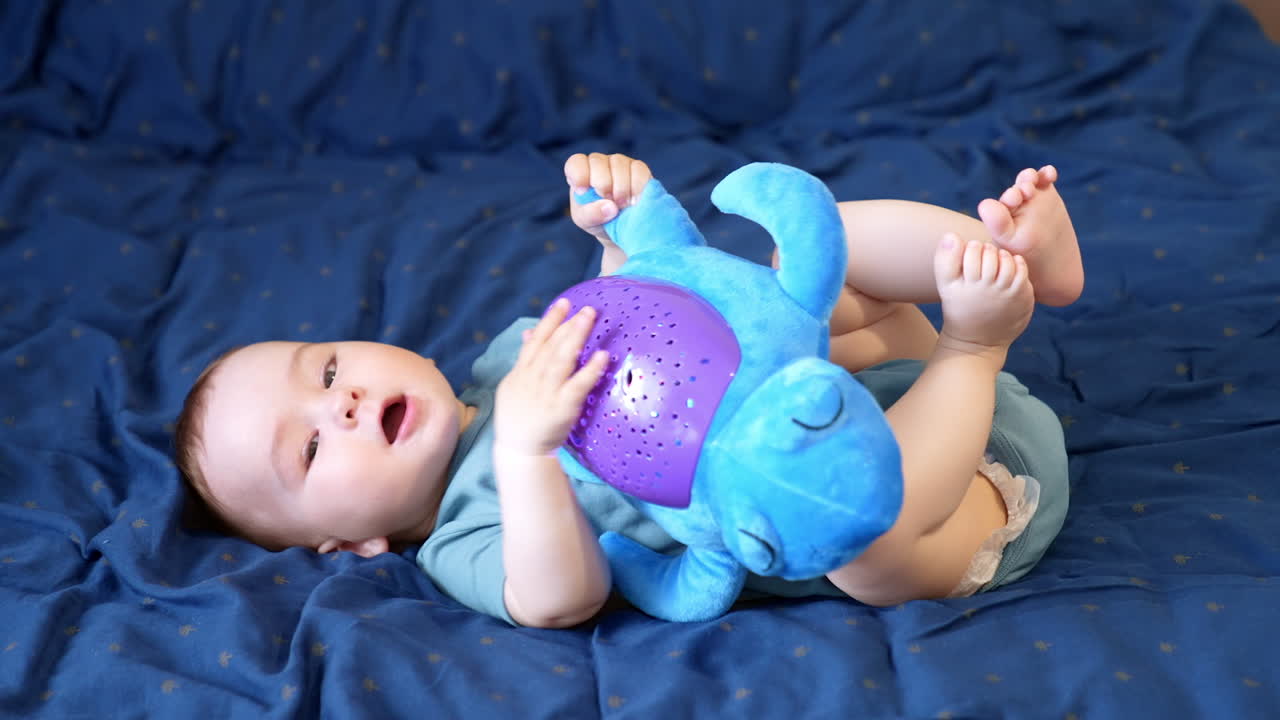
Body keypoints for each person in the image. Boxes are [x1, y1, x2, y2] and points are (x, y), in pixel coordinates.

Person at [175, 152, 1081, 628]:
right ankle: (978, 342)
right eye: (310, 448)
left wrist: (613, 230)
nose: (336, 405)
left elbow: (653, 314)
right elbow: (557, 597)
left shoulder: (508, 355)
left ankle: (1005, 257)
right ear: (348, 545)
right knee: (868, 559)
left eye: (327, 369)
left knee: (813, 253)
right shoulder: (463, 534)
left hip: (856, 382)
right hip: (956, 490)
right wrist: (529, 452)